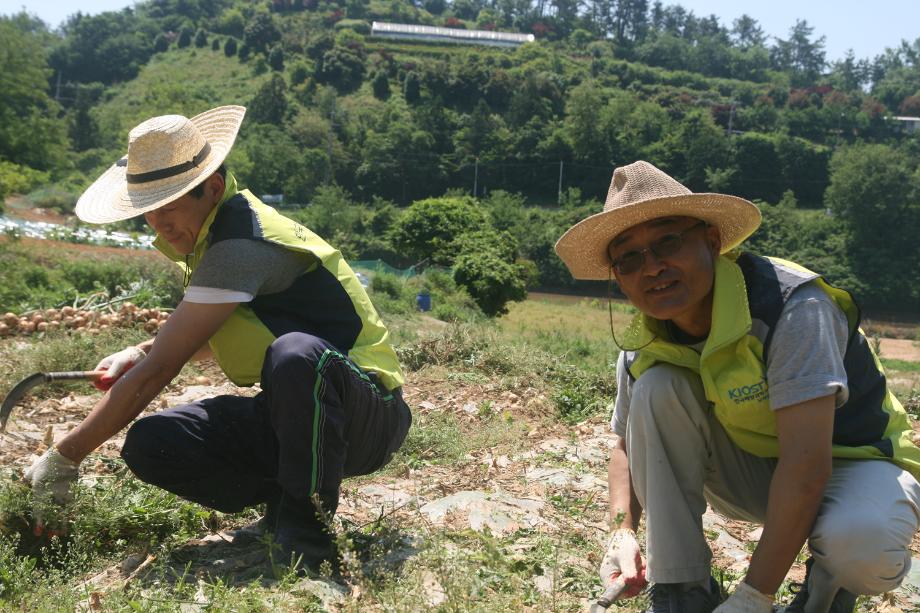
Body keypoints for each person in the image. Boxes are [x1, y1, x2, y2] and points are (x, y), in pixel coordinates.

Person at [23, 105, 411, 573]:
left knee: (297, 355)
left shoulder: (241, 242)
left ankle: (309, 539)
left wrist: (65, 456)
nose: (161, 225)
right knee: (154, 441)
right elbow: (197, 336)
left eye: (170, 207)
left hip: (369, 414)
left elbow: (163, 370)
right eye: (150, 213)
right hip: (302, 414)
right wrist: (139, 351)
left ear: (211, 187)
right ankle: (284, 504)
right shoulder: (216, 237)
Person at [555, 161, 920, 613]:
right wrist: (622, 531)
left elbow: (807, 468)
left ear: (711, 241)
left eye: (668, 241)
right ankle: (681, 588)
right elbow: (624, 444)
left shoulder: (791, 306)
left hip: (854, 463)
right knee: (656, 388)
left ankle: (827, 589)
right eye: (629, 257)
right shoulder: (648, 335)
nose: (652, 267)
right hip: (758, 471)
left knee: (861, 548)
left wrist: (752, 596)